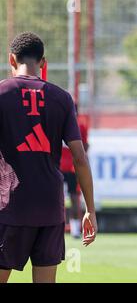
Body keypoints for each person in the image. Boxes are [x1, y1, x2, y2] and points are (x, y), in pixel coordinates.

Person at [0, 32, 97, 283]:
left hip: (10, 204)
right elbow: (80, 158)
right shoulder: (62, 97)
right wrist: (90, 210)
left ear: (11, 59)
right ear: (43, 62)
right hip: (50, 206)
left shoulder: (2, 93)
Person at [60, 108, 89, 239]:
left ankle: (64, 228)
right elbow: (85, 146)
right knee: (73, 198)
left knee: (57, 199)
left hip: (58, 166)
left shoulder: (56, 121)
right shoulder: (80, 125)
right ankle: (75, 230)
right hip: (71, 166)